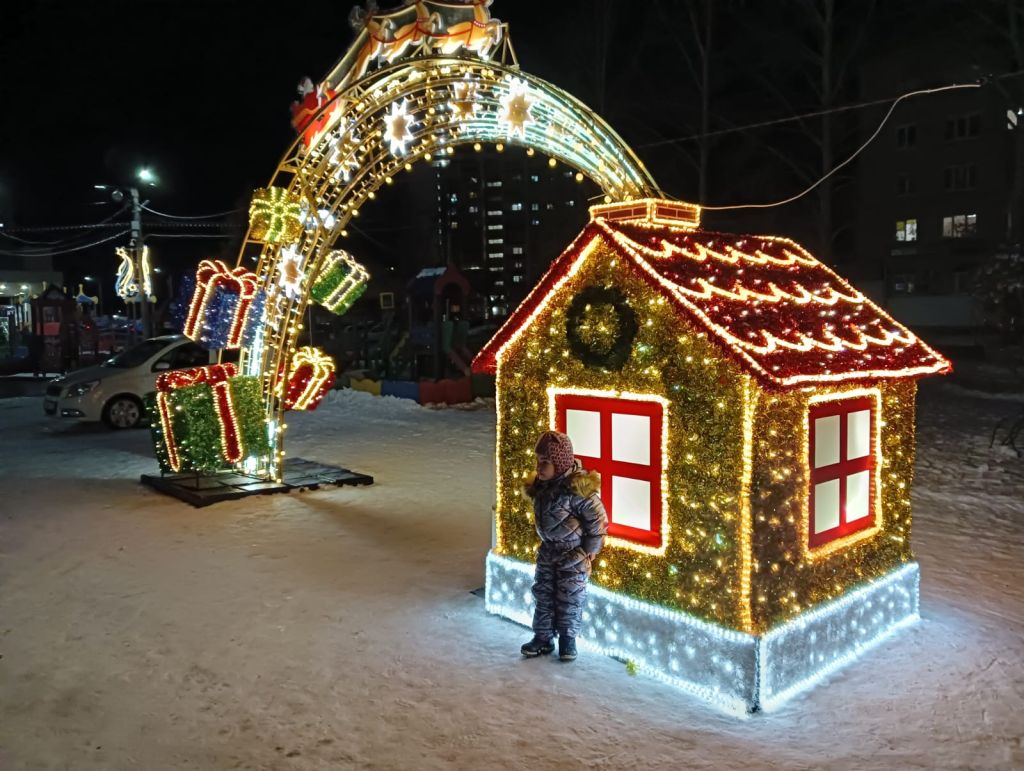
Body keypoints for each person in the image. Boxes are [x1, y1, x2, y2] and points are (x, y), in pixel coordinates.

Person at [520, 430, 608, 662]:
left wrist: (591, 548)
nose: (540, 467)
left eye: (546, 462)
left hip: (573, 555)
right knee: (544, 593)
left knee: (570, 596)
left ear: (559, 464)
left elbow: (597, 520)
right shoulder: (542, 487)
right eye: (538, 461)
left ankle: (567, 639)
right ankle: (542, 636)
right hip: (549, 551)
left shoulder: (577, 490)